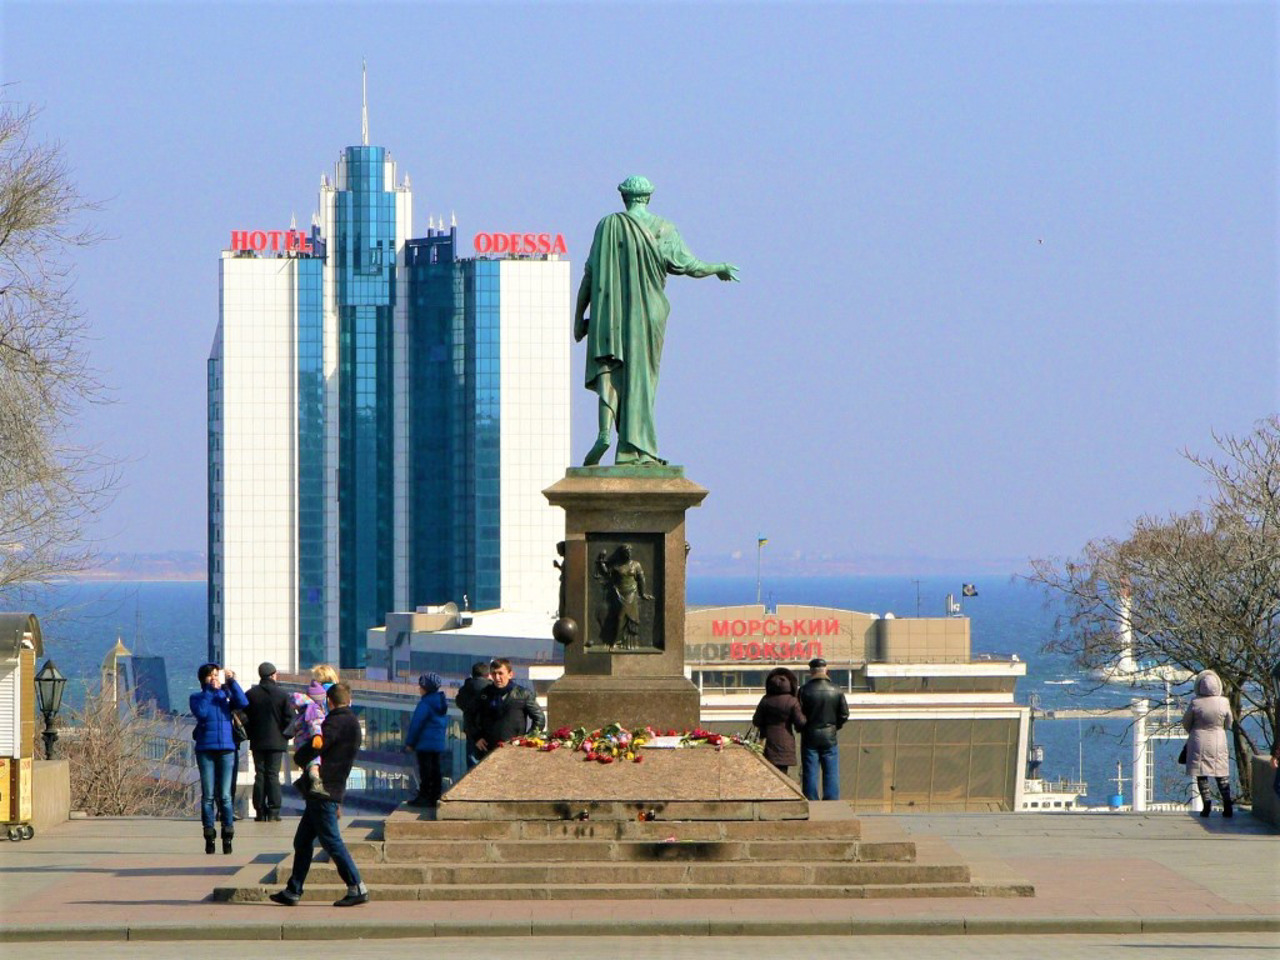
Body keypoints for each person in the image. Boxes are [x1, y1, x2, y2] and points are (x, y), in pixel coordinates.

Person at [573, 175, 738, 466]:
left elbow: (590, 274)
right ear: (648, 198)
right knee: (643, 381)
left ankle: (605, 432)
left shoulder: (607, 226)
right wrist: (718, 268)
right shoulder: (663, 228)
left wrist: (578, 317)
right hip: (649, 315)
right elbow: (690, 266)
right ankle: (640, 448)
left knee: (610, 367)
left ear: (624, 198)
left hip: (610, 314)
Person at [270, 682, 369, 907]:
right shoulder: (353, 722)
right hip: (329, 788)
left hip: (324, 789)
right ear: (350, 700)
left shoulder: (334, 722)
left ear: (329, 702)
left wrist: (299, 757)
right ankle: (293, 890)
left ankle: (357, 886)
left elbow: (317, 745)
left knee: (331, 840)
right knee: (303, 840)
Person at [190, 662, 248, 854]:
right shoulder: (197, 697)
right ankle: (209, 833)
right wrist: (209, 691)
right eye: (210, 675)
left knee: (225, 796)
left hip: (227, 748)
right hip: (205, 748)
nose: (214, 678)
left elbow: (243, 703)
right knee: (208, 795)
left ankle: (228, 832)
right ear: (203, 679)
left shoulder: (226, 696)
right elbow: (202, 714)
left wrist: (231, 682)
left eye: (216, 675)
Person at [244, 661, 296, 821]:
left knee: (260, 774)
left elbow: (244, 717)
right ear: (274, 675)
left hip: (258, 740)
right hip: (277, 741)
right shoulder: (282, 695)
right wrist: (286, 735)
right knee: (273, 775)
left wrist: (250, 732)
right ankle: (274, 811)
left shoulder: (251, 694)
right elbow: (291, 719)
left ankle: (259, 810)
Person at [1182, 669, 1234, 818]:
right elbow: (1229, 722)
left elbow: (1186, 723)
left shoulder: (1195, 702)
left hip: (1199, 740)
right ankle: (1227, 803)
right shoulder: (1224, 702)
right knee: (1221, 773)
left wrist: (1194, 731)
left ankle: (1207, 804)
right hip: (1219, 740)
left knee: (1201, 774)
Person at [797, 657, 848, 801]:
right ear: (827, 671)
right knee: (831, 770)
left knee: (810, 770)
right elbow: (844, 714)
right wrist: (834, 726)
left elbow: (798, 713)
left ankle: (811, 798)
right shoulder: (837, 690)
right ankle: (831, 798)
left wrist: (803, 727)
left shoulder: (804, 690)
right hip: (830, 735)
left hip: (810, 735)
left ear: (811, 672)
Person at [474, 658, 545, 759]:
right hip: (488, 748)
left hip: (513, 748)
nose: (497, 677)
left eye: (500, 673)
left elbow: (539, 718)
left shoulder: (522, 694)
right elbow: (470, 716)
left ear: (510, 674)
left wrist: (528, 739)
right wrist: (477, 737)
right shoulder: (484, 694)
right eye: (494, 674)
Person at [287, 664, 338, 799]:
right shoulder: (320, 703)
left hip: (302, 740)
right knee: (315, 763)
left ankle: (308, 781)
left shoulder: (308, 701)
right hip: (314, 739)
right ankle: (314, 781)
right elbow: (316, 723)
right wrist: (317, 735)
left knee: (311, 764)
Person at [404, 672, 448, 807]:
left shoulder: (425, 704)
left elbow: (416, 724)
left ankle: (424, 797)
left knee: (425, 772)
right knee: (436, 771)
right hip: (438, 744)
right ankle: (436, 796)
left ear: (426, 688)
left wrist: (410, 743)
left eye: (421, 686)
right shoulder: (441, 703)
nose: (419, 689)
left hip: (424, 744)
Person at [752, 667, 806, 775]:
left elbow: (756, 721)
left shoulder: (765, 700)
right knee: (782, 775)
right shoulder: (792, 701)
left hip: (767, 741)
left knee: (768, 773)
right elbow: (801, 722)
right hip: (786, 741)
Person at [455, 661, 492, 770]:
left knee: (472, 766)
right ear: (487, 674)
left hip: (471, 733)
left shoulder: (465, 689)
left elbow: (460, 703)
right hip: (488, 732)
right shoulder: (491, 689)